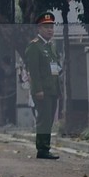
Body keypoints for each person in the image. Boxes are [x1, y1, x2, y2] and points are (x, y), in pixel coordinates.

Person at [20, 14, 62, 158]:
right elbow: (34, 71)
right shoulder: (34, 46)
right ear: (39, 28)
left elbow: (55, 67)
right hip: (42, 90)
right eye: (46, 27)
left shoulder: (51, 46)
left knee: (49, 120)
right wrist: (38, 90)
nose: (50, 30)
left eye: (51, 27)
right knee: (44, 119)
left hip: (53, 89)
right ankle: (43, 149)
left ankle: (45, 146)